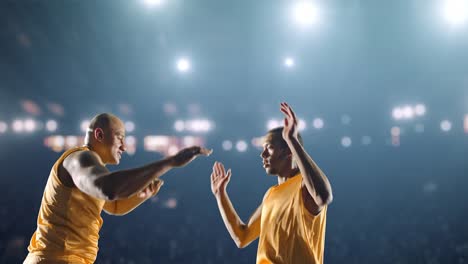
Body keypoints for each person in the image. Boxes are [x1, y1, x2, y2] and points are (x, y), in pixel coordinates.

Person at [24, 113, 212, 264]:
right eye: (120, 137)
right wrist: (170, 161)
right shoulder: (81, 158)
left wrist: (142, 194)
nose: (124, 146)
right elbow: (109, 189)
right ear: (99, 135)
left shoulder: (90, 168)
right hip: (58, 258)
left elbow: (114, 206)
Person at [210, 102, 333, 264]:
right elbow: (242, 237)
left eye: (269, 148)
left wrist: (292, 139)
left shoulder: (304, 185)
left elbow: (324, 197)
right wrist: (221, 196)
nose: (263, 154)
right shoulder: (270, 194)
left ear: (288, 150)